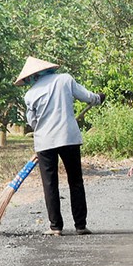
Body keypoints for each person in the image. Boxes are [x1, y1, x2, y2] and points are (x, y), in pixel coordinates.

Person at [15, 56, 105, 236]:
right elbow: (87, 97)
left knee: (50, 184)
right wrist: (98, 98)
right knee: (75, 181)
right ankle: (80, 225)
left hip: (44, 142)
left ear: (31, 77)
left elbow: (32, 122)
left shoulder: (29, 94)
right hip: (68, 137)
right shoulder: (65, 79)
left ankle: (55, 226)